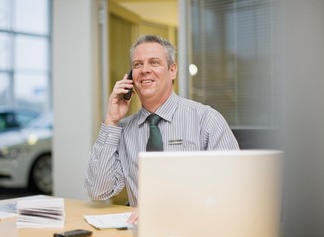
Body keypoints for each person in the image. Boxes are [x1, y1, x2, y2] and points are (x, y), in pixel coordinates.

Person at [84, 35, 239, 218]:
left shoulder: (206, 120)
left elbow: (233, 189)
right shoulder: (123, 131)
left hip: (195, 228)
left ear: (172, 70)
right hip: (139, 233)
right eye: (137, 65)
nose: (145, 70)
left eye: (154, 62)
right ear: (130, 77)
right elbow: (98, 191)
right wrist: (111, 121)